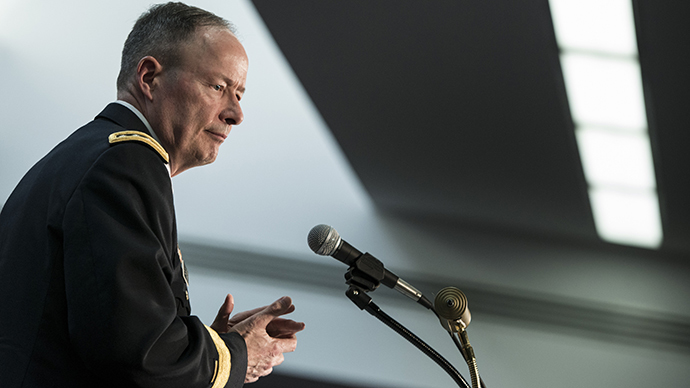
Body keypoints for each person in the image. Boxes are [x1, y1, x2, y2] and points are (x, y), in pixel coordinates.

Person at [0, 2, 305, 387]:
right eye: (219, 87)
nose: (236, 114)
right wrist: (234, 355)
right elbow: (139, 358)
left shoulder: (90, 154)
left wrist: (207, 344)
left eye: (240, 94)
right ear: (149, 77)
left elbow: (113, 333)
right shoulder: (124, 164)